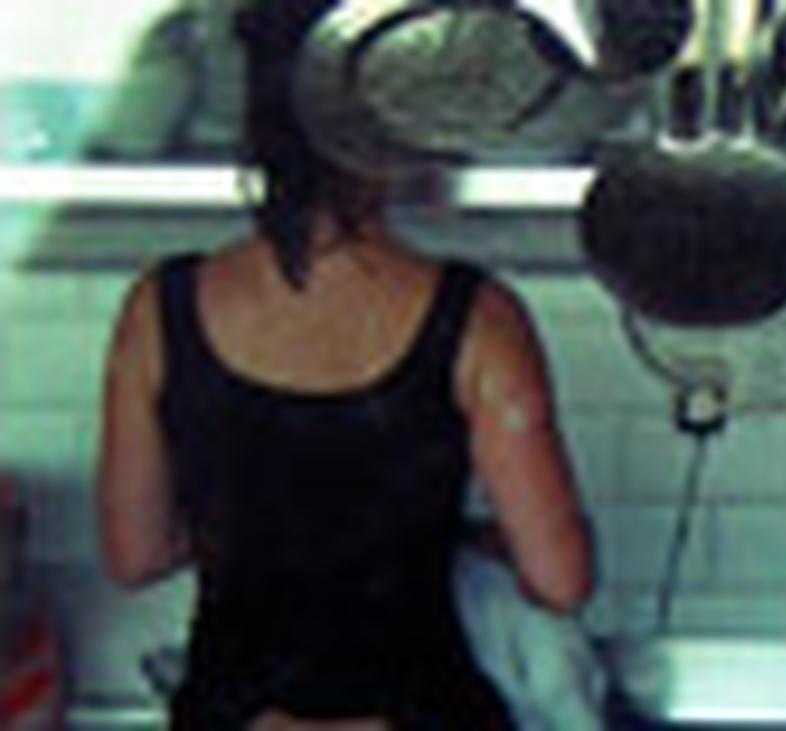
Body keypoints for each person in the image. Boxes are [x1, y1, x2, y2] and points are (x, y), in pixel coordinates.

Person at [94, 0, 594, 727]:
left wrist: (267, 527)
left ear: (258, 124)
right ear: (389, 127)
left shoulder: (157, 309)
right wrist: (446, 533)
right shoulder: (478, 319)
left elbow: (137, 555)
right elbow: (561, 580)